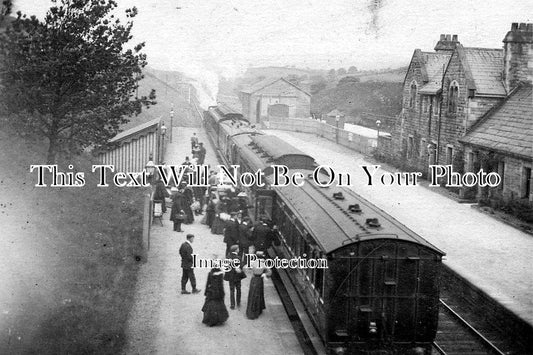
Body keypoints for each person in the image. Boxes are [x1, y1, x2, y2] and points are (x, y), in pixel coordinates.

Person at [245, 251, 272, 319]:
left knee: (252, 294)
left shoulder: (252, 262)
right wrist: (264, 274)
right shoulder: (263, 264)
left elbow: (245, 268)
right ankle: (258, 309)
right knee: (258, 294)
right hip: (259, 280)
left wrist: (251, 271)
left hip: (253, 279)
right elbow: (269, 272)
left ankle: (250, 311)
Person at [224, 245, 245, 309]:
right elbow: (241, 266)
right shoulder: (238, 258)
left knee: (231, 290)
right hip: (237, 277)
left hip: (231, 277)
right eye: (238, 249)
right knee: (238, 289)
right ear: (236, 250)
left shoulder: (228, 257)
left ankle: (232, 305)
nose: (239, 249)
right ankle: (238, 302)